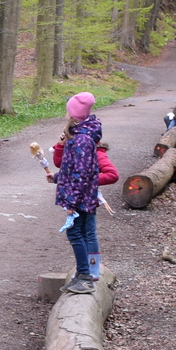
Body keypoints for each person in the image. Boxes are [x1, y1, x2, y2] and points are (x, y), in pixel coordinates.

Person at [54, 92, 105, 295]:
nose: (66, 114)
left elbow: (81, 175)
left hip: (81, 198)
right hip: (82, 196)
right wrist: (57, 177)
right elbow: (73, 168)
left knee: (75, 233)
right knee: (79, 232)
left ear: (74, 114)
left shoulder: (82, 140)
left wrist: (72, 202)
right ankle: (82, 274)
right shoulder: (79, 137)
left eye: (68, 111)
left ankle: (85, 277)